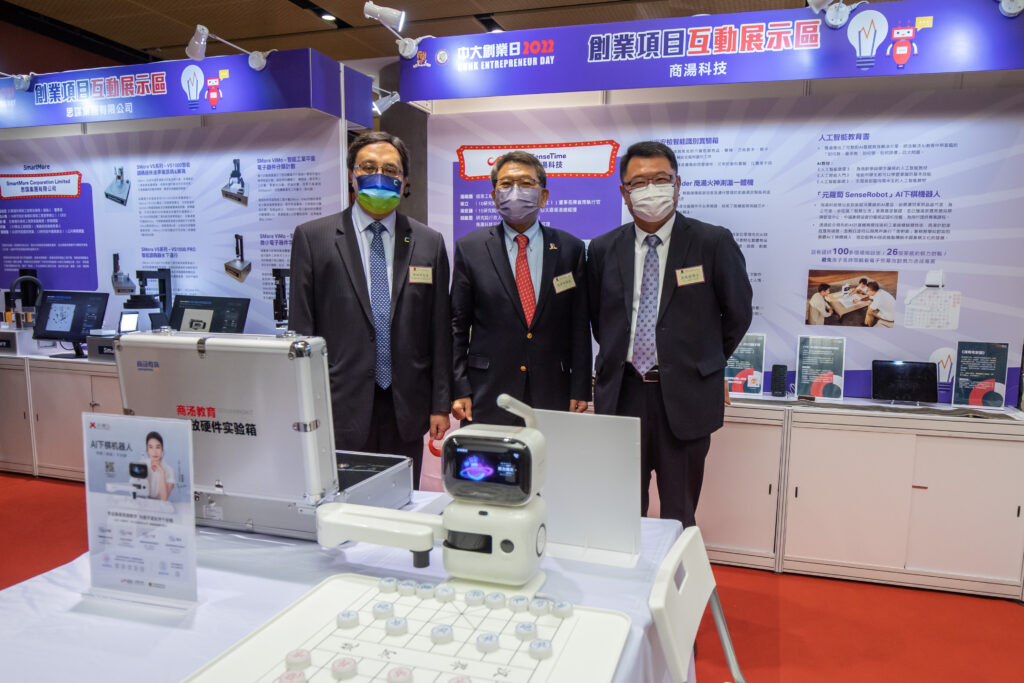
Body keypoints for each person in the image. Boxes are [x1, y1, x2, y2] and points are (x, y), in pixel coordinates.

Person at [587, 141, 753, 528]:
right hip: (622, 395)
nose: (651, 189)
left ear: (678, 184)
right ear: (623, 192)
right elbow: (600, 319)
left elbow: (738, 314)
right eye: (638, 182)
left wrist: (702, 364)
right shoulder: (602, 249)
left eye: (661, 179)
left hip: (685, 397)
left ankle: (674, 585)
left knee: (680, 512)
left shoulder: (712, 242)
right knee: (623, 510)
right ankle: (630, 585)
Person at [289, 131, 451, 486]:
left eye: (391, 169)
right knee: (343, 507)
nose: (381, 175)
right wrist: (305, 401)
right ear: (352, 174)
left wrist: (441, 404)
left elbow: (440, 331)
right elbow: (301, 331)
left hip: (407, 403)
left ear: (404, 180)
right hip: (339, 403)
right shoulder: (313, 238)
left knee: (402, 503)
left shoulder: (428, 242)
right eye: (369, 166)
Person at [451, 151, 591, 425]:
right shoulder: (470, 248)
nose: (515, 191)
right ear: (494, 196)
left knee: (548, 465)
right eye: (506, 184)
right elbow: (456, 326)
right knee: (490, 466)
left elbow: (579, 324)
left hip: (554, 389)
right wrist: (459, 387)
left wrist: (580, 386)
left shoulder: (570, 249)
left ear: (543, 196)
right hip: (486, 391)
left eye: (526, 183)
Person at [145, 431, 174, 501]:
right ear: (147, 450)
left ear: (162, 449)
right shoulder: (142, 465)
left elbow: (164, 499)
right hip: (143, 504)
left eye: (158, 447)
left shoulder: (169, 470)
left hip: (160, 506)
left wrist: (162, 472)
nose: (154, 452)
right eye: (151, 447)